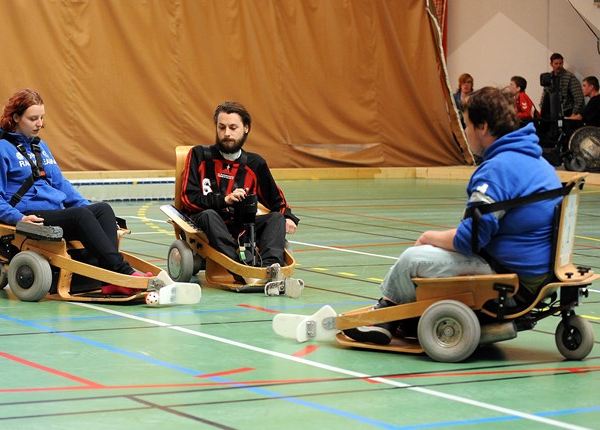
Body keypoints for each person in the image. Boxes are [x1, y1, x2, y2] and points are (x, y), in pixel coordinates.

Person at [343, 87, 562, 345]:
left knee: (412, 259)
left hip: (511, 281)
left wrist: (429, 237)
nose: (465, 132)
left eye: (467, 125)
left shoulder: (498, 169)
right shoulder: (537, 163)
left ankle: (385, 317)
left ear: (482, 127)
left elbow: (471, 240)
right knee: (432, 247)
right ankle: (402, 316)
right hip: (539, 276)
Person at [0, 88, 147, 296]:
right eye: (33, 118)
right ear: (15, 118)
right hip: (31, 218)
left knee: (102, 209)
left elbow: (62, 185)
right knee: (80, 215)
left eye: (42, 117)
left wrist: (89, 208)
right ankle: (122, 273)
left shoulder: (41, 147)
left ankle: (108, 278)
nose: (40, 123)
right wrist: (19, 218)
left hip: (56, 214)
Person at [179, 101, 300, 282]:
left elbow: (276, 201)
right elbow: (188, 198)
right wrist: (224, 200)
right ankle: (241, 269)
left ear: (246, 128)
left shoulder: (255, 163)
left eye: (233, 127)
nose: (226, 133)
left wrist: (288, 216)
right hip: (204, 222)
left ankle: (271, 272)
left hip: (240, 225)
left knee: (276, 218)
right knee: (210, 215)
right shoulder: (199, 155)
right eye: (221, 127)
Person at [540, 53, 584, 118]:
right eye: (556, 63)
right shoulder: (548, 77)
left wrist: (574, 114)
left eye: (560, 63)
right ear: (551, 64)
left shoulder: (569, 77)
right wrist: (541, 108)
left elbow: (578, 98)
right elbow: (544, 95)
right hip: (550, 112)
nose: (558, 66)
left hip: (566, 111)